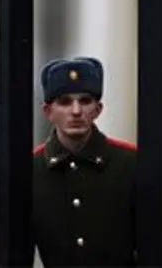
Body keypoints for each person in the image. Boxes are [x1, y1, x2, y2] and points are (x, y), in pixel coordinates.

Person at [31, 57, 138, 267]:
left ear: (98, 109)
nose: (76, 111)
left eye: (85, 101)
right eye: (64, 102)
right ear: (48, 112)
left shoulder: (129, 163)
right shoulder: (33, 169)